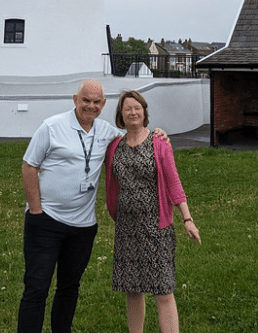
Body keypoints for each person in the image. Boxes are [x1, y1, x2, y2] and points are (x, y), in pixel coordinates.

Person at [18, 79, 166, 333]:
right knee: (37, 287)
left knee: (69, 287)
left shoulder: (106, 131)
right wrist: (36, 210)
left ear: (103, 104)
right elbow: (29, 165)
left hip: (83, 227)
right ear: (75, 99)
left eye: (97, 102)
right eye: (86, 100)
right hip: (46, 221)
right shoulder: (51, 127)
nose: (91, 106)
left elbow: (134, 136)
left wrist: (157, 135)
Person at [105, 90, 201, 333]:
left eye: (137, 108)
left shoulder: (159, 143)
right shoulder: (114, 146)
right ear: (121, 115)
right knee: (133, 289)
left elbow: (173, 182)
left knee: (163, 290)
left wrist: (187, 219)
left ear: (144, 112)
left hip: (156, 229)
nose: (133, 112)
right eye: (128, 109)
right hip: (127, 229)